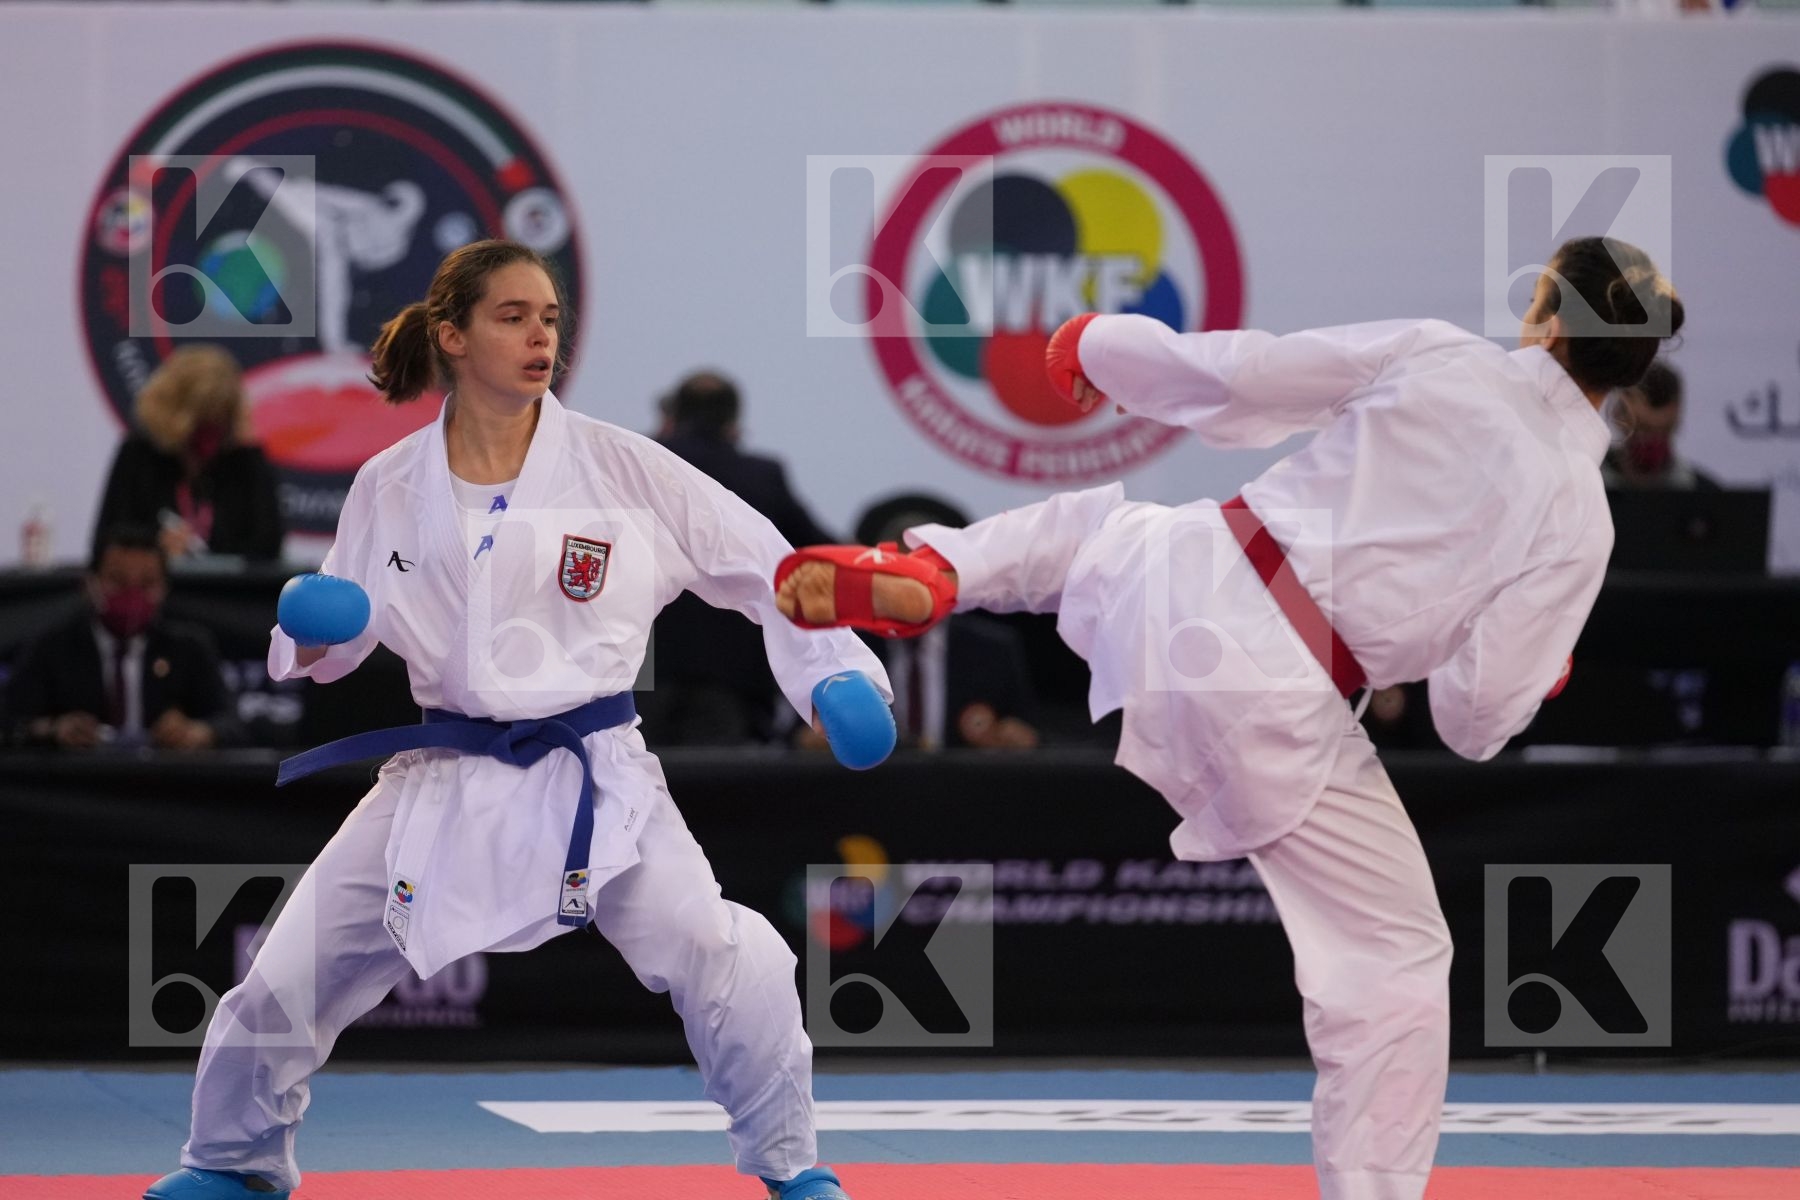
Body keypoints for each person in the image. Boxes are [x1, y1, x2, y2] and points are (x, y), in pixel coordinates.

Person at [776, 236, 1682, 1200]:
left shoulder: (1442, 355)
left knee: (1087, 534)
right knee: (1396, 957)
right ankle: (1373, 1191)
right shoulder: (1583, 518)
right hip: (1288, 710)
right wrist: (1535, 676)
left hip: (1200, 572)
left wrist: (1098, 348)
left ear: (1545, 313)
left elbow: (1247, 376)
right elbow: (1472, 722)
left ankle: (937, 570)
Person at [144, 240, 891, 1200]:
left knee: (714, 948)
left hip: (597, 773)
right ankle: (234, 1163)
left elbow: (768, 566)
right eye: (512, 317)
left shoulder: (624, 468)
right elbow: (345, 634)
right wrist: (315, 628)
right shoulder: (389, 483)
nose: (541, 336)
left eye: (549, 318)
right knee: (289, 971)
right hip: (443, 770)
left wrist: (833, 671)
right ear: (452, 336)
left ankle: (792, 1167)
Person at [640, 371, 840, 745]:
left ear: (675, 415)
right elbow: (815, 552)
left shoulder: (637, 466)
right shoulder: (762, 476)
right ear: (733, 423)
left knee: (639, 793)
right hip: (731, 676)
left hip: (644, 669)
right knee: (724, 796)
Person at [6, 523, 236, 750]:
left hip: (167, 782)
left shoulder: (189, 648)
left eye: (147, 584)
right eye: (118, 581)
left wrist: (198, 732)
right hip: (79, 782)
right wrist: (52, 729)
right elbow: (9, 721)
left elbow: (233, 724)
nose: (133, 595)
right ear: (89, 584)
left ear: (165, 588)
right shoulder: (52, 647)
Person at [854, 495, 1038, 751]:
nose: (910, 587)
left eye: (923, 570)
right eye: (896, 572)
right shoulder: (846, 648)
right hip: (862, 787)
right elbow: (793, 737)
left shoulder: (993, 651)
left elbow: (1029, 735)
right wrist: (816, 739)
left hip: (963, 788)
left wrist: (1013, 737)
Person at [94, 344, 285, 562]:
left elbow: (268, 552)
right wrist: (156, 546)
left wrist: (206, 553)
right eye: (201, 424)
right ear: (177, 417)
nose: (208, 442)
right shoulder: (139, 456)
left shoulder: (246, 463)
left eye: (218, 424)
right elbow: (108, 543)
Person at [1602, 359, 1721, 490]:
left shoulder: (1705, 495)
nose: (1650, 441)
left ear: (1676, 419)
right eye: (1642, 429)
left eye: (1662, 431)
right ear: (1618, 415)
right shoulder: (1586, 485)